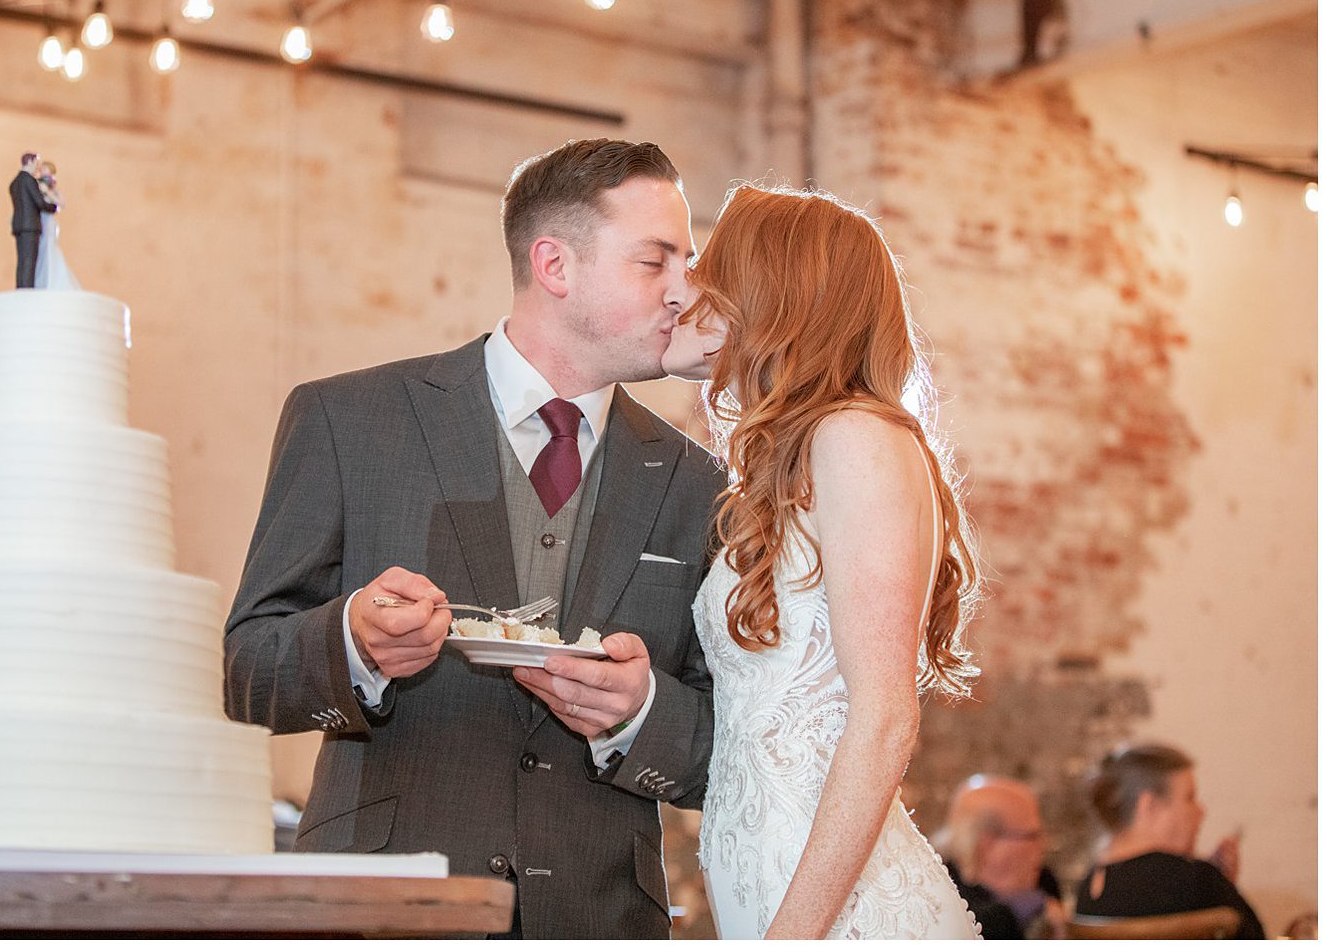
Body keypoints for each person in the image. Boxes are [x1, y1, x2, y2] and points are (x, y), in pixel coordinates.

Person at [224, 139, 724, 938]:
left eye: (687, 262)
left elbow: (736, 747)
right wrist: (351, 642)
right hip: (388, 912)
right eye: (655, 261)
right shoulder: (349, 420)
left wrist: (642, 711)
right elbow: (246, 668)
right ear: (555, 266)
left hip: (599, 920)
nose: (684, 292)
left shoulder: (699, 481)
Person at [662, 183, 984, 938]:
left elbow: (883, 720)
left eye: (712, 266)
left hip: (845, 923)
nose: (684, 287)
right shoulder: (796, 458)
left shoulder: (856, 438)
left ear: (772, 291)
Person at [1075, 743, 1263, 938]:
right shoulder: (1199, 883)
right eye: (1189, 798)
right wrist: (1220, 888)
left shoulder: (1087, 890)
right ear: (1149, 806)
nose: (1201, 811)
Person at [938, 775, 1066, 938]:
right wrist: (1013, 912)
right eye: (1032, 836)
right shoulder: (943, 894)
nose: (1043, 845)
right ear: (988, 844)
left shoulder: (1044, 882)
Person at [8, 152, 55, 288]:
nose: (37, 167)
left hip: (18, 225)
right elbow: (39, 202)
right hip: (30, 225)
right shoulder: (29, 180)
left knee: (22, 261)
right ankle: (27, 291)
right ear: (29, 163)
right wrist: (53, 207)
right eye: (36, 164)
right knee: (29, 260)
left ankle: (20, 288)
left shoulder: (14, 183)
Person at [33, 161, 82, 290]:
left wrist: (47, 192)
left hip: (48, 222)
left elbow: (61, 203)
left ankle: (49, 280)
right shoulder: (36, 184)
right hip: (39, 221)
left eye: (45, 169)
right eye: (42, 168)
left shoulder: (51, 186)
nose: (42, 171)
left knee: (48, 248)